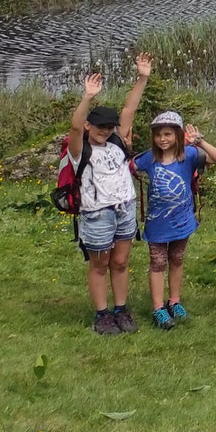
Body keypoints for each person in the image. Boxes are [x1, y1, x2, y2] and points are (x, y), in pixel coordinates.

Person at [66, 59, 149, 334]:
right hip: (96, 213)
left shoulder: (116, 140)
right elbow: (76, 127)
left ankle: (121, 309)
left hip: (125, 208)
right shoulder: (79, 151)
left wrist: (142, 78)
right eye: (100, 126)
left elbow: (130, 109)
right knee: (99, 264)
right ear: (90, 125)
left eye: (109, 126)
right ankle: (102, 314)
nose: (105, 130)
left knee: (121, 261)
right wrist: (87, 97)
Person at [130, 108, 216, 330]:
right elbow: (128, 167)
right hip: (157, 222)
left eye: (168, 134)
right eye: (158, 135)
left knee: (177, 258)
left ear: (178, 135)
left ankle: (174, 301)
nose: (163, 139)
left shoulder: (190, 154)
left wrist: (200, 142)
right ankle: (157, 308)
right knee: (157, 262)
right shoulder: (149, 158)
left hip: (182, 220)